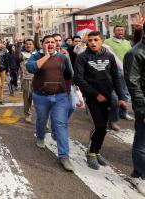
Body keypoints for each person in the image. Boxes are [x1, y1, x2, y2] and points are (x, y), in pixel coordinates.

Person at [74, 31, 127, 170]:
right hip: (92, 97)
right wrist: (95, 94)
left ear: (102, 40)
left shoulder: (109, 56)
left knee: (103, 128)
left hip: (108, 96)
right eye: (90, 40)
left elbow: (116, 77)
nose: (92, 42)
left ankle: (97, 151)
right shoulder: (82, 57)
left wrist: (121, 97)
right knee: (99, 126)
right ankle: (90, 152)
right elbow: (79, 79)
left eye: (96, 40)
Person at [26, 35, 74, 172]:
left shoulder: (62, 57)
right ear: (42, 44)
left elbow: (69, 75)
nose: (51, 44)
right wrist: (46, 56)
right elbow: (31, 68)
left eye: (53, 42)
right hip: (41, 97)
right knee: (42, 120)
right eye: (47, 42)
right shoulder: (36, 56)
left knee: (61, 124)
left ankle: (64, 156)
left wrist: (69, 93)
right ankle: (40, 136)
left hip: (60, 97)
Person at [123, 19, 145, 197]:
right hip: (144, 105)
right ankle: (139, 175)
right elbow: (133, 83)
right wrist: (143, 110)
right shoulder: (135, 53)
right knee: (142, 142)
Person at [104, 25, 134, 131]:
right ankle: (112, 119)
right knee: (114, 96)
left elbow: (131, 56)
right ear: (114, 31)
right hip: (112, 72)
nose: (120, 31)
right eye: (118, 30)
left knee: (125, 93)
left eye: (122, 30)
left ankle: (123, 113)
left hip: (126, 71)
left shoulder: (127, 43)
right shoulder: (107, 42)